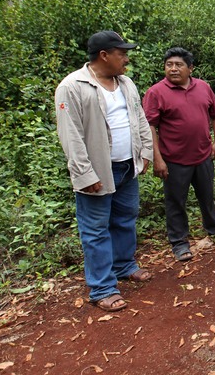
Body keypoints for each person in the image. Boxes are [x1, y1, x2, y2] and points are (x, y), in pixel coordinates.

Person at [55, 31, 153, 313]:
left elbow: (139, 119)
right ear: (104, 55)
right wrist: (84, 174)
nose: (127, 59)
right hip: (98, 170)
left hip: (126, 166)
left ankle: (124, 266)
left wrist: (144, 152)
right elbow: (70, 135)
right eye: (122, 53)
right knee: (96, 230)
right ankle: (102, 287)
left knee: (125, 219)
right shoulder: (72, 86)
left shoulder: (126, 83)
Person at [143, 47, 215, 263]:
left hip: (203, 155)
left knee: (207, 195)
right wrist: (157, 158)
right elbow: (150, 127)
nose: (173, 69)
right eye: (169, 65)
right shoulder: (156, 92)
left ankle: (214, 228)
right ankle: (179, 242)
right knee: (176, 201)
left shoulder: (203, 87)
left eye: (179, 65)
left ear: (190, 68)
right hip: (174, 159)